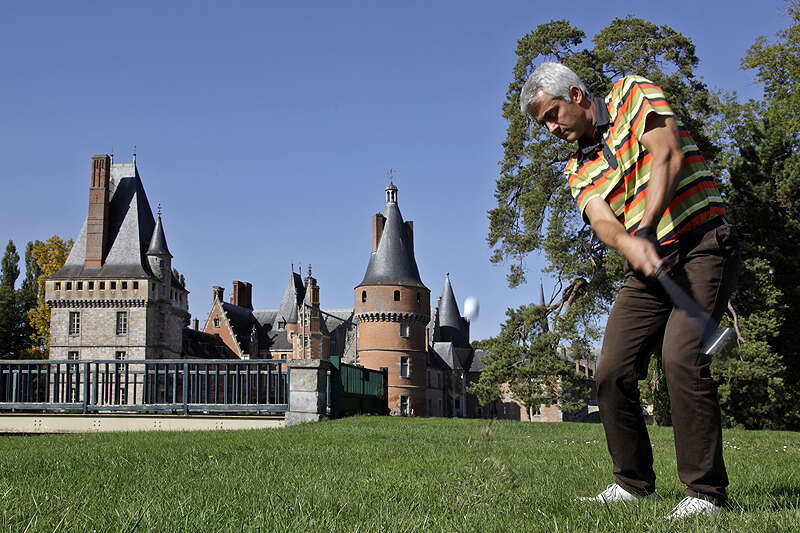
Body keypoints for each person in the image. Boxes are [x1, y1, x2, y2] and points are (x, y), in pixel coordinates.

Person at [519, 62, 740, 519]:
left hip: (701, 242)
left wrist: (645, 227)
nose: (552, 128)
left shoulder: (630, 93)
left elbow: (668, 155)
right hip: (647, 267)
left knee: (681, 358)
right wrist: (628, 242)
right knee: (611, 371)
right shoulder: (578, 166)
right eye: (544, 123)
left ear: (577, 95)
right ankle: (633, 484)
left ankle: (706, 494)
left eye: (553, 114)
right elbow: (601, 220)